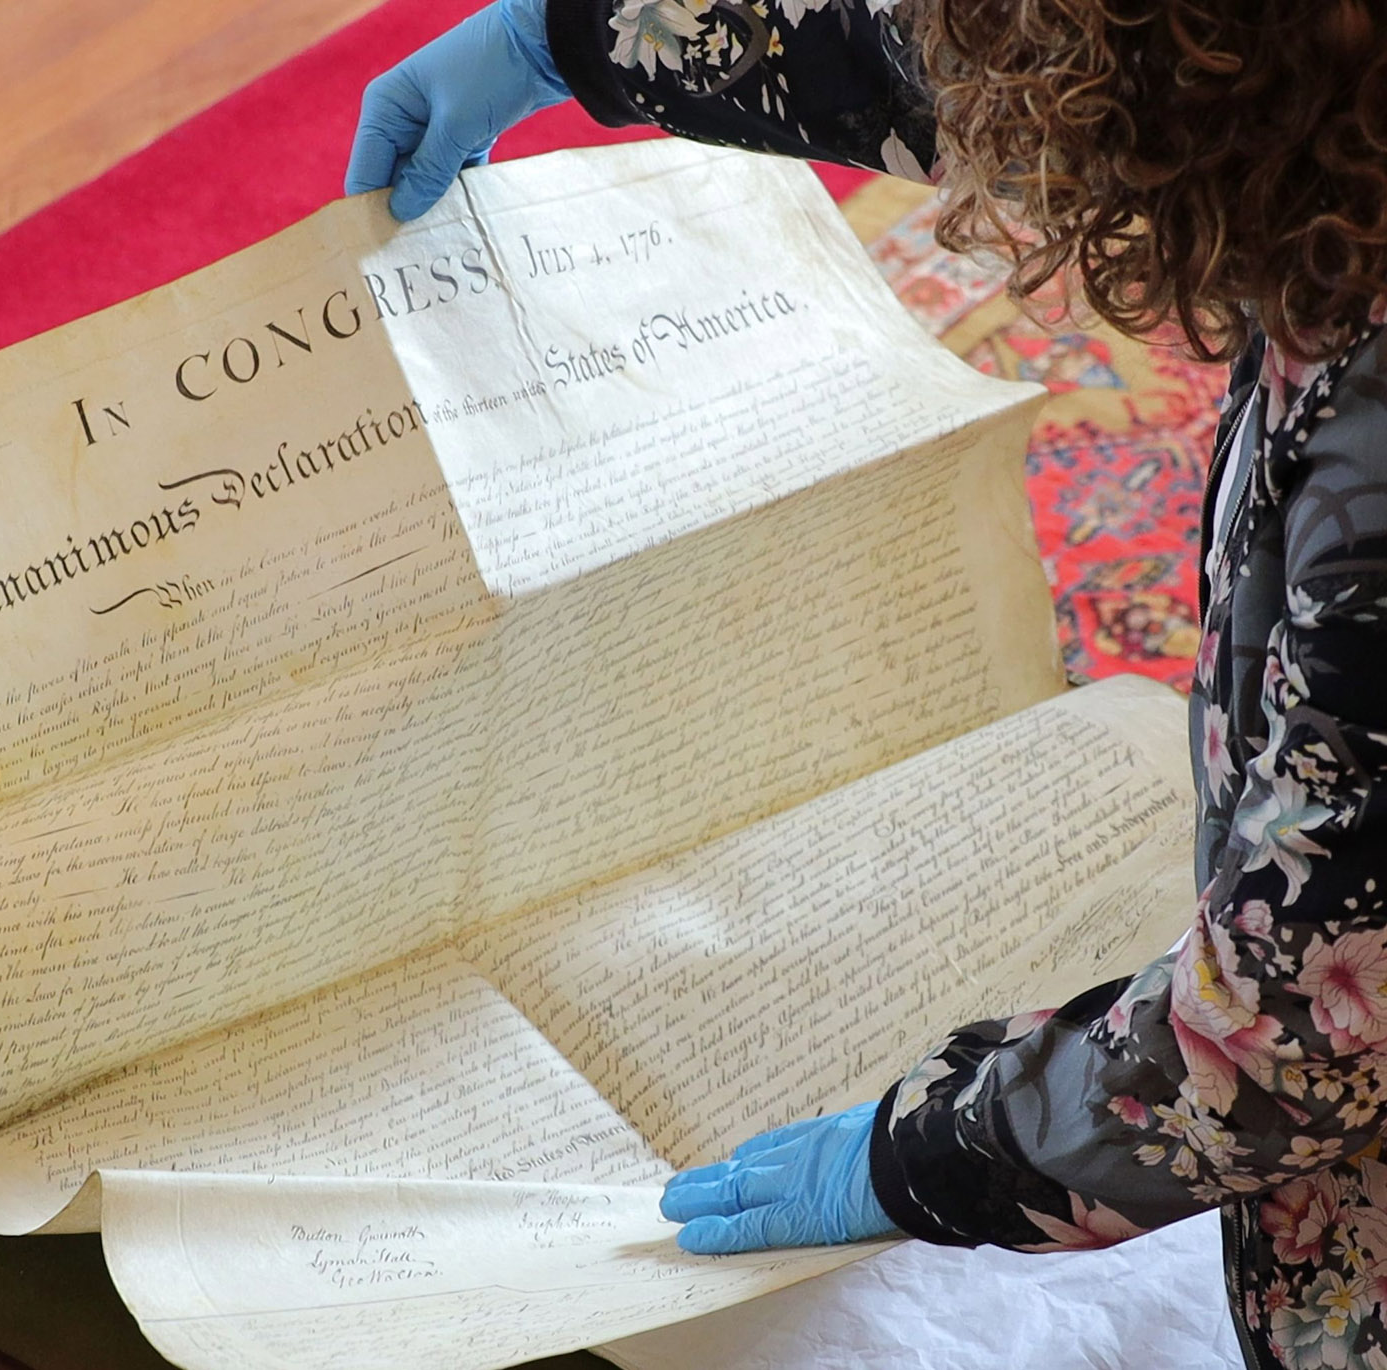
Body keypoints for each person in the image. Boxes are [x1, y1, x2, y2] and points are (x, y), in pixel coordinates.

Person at [346, 4, 1387, 1365]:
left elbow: (1300, 1031)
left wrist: (938, 1151)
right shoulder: (1318, 128)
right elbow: (1023, 81)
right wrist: (585, 35)